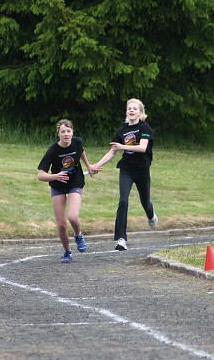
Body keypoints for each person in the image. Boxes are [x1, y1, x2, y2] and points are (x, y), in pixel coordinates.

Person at [94, 98, 157, 251]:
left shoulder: (145, 128)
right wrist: (97, 165)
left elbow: (142, 148)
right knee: (123, 201)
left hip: (142, 170)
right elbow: (112, 151)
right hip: (126, 169)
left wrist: (122, 145)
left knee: (145, 202)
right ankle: (121, 239)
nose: (131, 110)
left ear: (140, 112)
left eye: (135, 108)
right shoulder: (121, 131)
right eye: (129, 108)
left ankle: (151, 214)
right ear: (126, 112)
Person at [38, 119, 98, 262]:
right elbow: (40, 175)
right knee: (61, 224)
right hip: (58, 185)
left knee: (72, 216)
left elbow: (81, 151)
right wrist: (55, 176)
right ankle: (67, 252)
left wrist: (88, 166)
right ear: (58, 133)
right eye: (63, 131)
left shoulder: (77, 142)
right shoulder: (53, 150)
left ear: (72, 132)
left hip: (75, 183)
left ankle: (78, 235)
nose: (66, 134)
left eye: (68, 131)